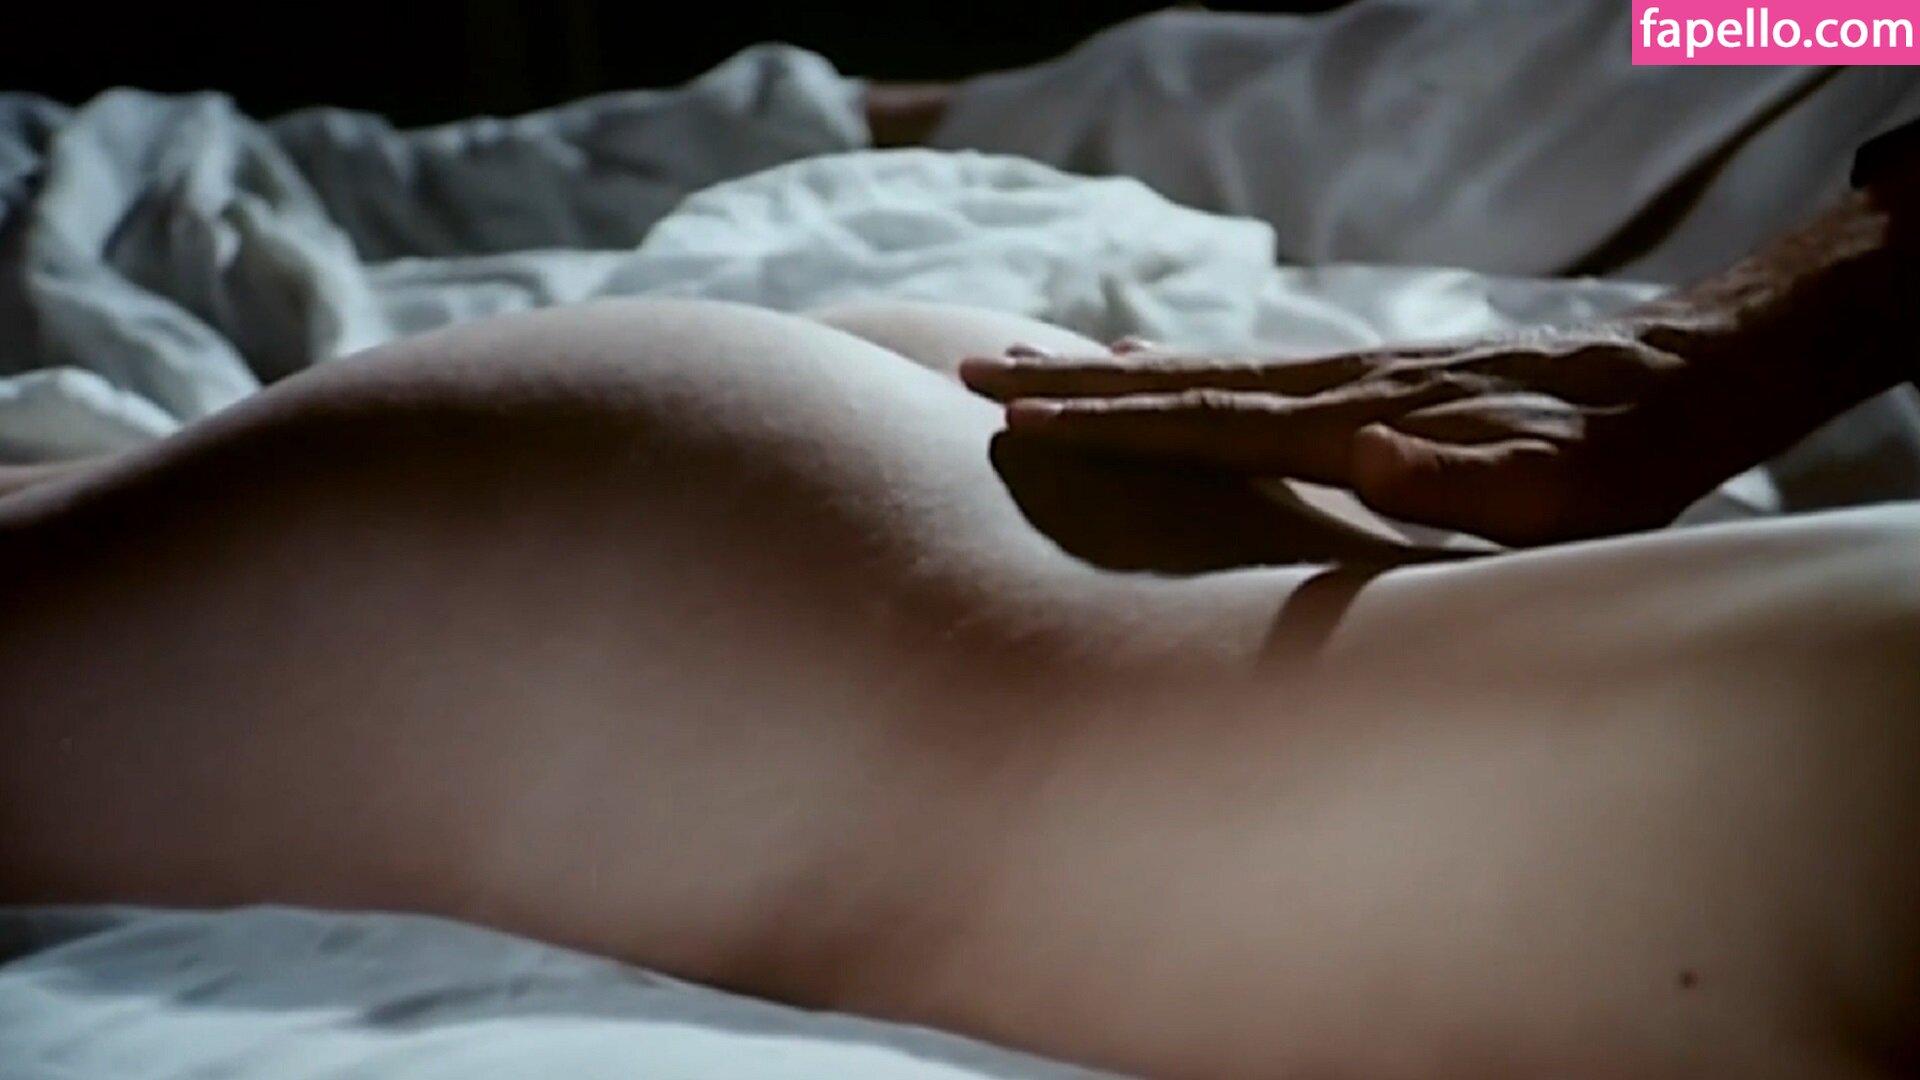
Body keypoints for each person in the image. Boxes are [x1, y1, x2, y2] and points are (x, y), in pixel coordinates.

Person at [2, 129, 1917, 1080]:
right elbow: (1654, 42)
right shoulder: (1729, 22)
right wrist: (1747, 322)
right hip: (747, 626)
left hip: (844, 603)